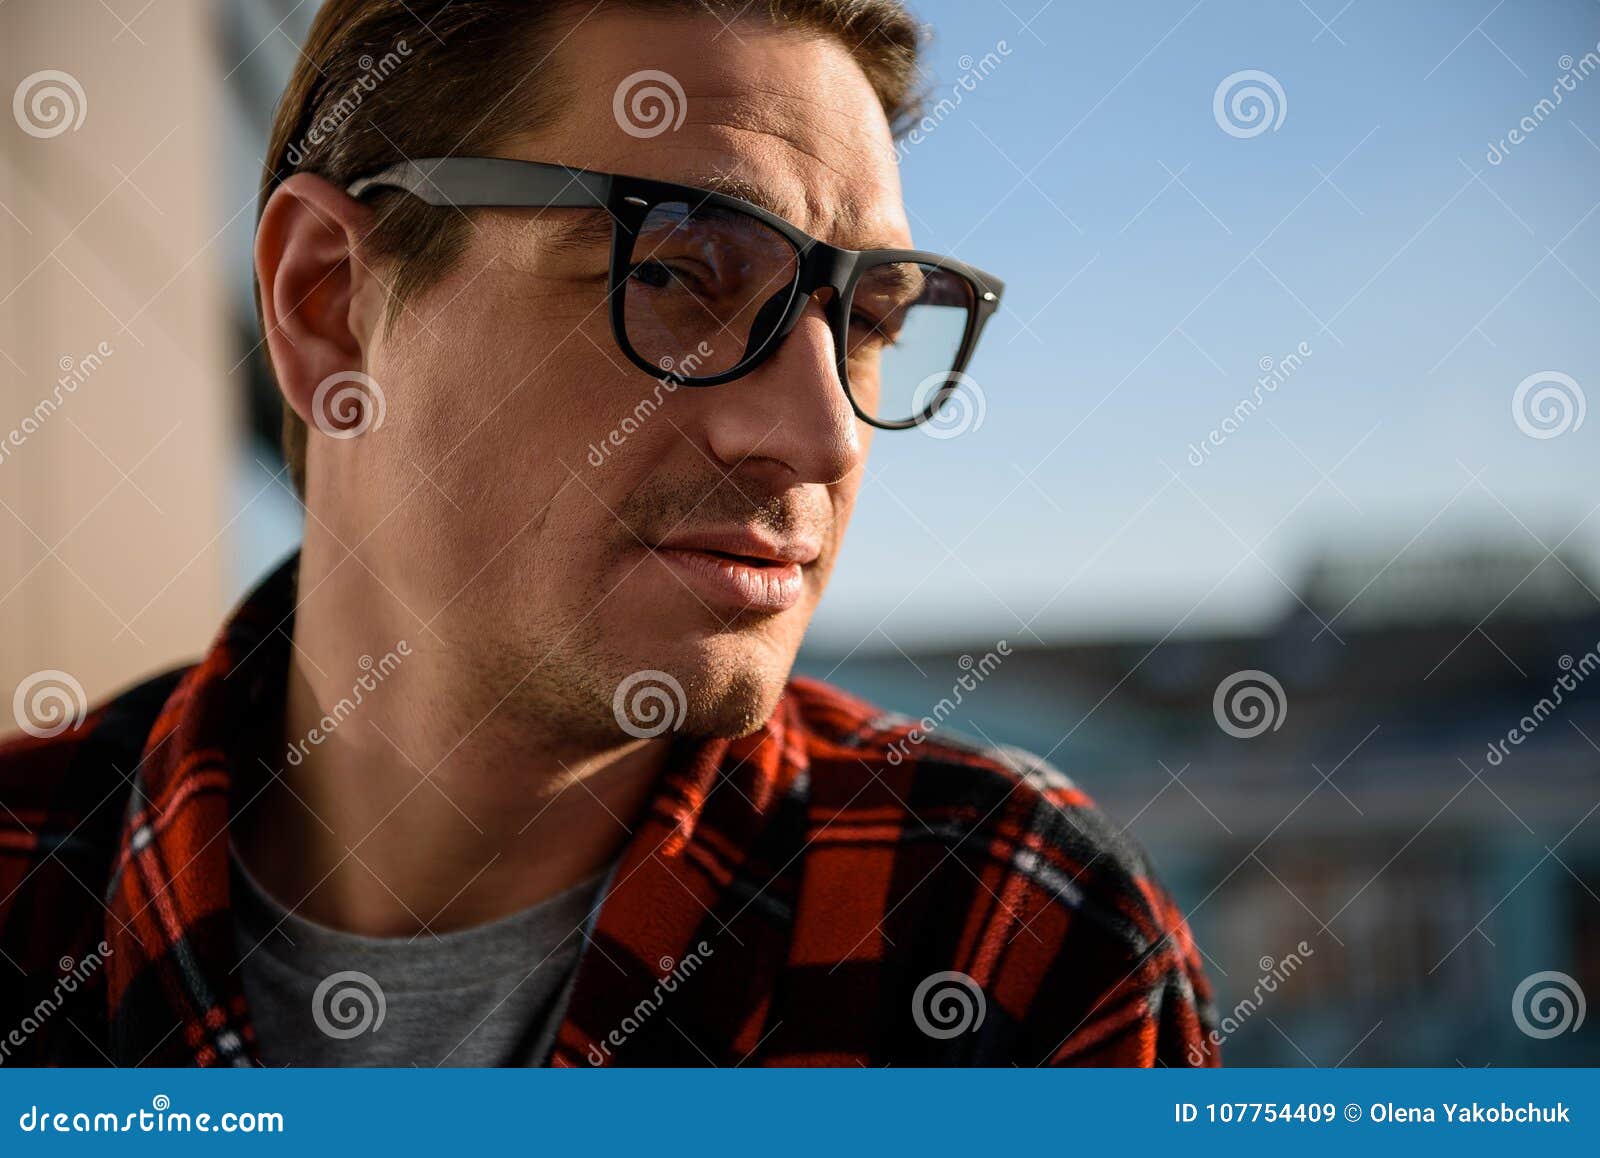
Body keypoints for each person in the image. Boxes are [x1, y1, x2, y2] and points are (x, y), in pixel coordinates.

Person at [0, 0, 1216, 1067]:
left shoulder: (1011, 933)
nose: (827, 438)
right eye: (682, 272)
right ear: (332, 307)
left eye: (868, 321)